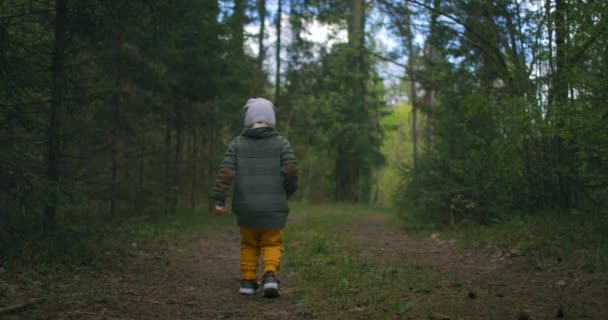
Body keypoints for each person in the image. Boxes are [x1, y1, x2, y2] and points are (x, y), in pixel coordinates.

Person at [210, 98, 298, 298]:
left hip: (246, 207)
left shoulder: (237, 144)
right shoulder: (281, 143)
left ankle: (248, 281)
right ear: (271, 120)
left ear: (248, 120)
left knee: (249, 244)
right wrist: (289, 190)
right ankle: (269, 276)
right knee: (272, 243)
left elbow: (225, 172)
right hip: (274, 207)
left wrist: (219, 200)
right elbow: (291, 169)